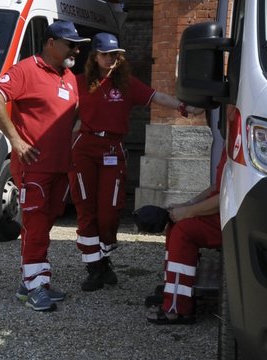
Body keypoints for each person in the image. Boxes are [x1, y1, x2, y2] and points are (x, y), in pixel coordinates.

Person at [0, 19, 89, 312]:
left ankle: (32, 280)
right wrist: (15, 140)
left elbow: (72, 111)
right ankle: (34, 287)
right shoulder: (26, 70)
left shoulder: (67, 76)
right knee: (35, 224)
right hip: (34, 166)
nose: (76, 51)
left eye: (78, 47)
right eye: (71, 45)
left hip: (58, 166)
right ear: (51, 43)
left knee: (45, 222)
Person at [71, 32, 186, 291]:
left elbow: (157, 97)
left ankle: (105, 257)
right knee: (85, 207)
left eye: (115, 54)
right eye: (105, 54)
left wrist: (184, 107)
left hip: (112, 148)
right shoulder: (78, 82)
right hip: (85, 148)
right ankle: (94, 267)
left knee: (109, 210)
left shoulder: (126, 84)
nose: (111, 58)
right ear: (95, 56)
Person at [148, 166, 223, 324]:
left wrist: (189, 211)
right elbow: (217, 186)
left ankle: (177, 309)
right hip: (221, 213)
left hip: (228, 219)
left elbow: (226, 195)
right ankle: (174, 290)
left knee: (183, 231)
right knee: (175, 224)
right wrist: (187, 205)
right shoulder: (229, 143)